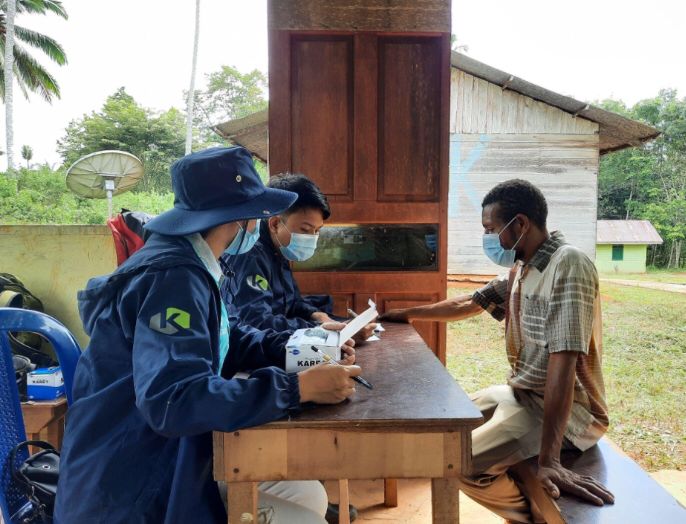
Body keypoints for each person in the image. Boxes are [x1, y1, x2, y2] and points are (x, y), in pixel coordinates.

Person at [54, 147, 362, 524]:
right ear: (238, 217)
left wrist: (308, 352)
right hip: (134, 485)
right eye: (257, 214)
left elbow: (226, 341)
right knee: (302, 514)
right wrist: (297, 389)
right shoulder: (173, 278)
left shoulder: (194, 264)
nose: (258, 225)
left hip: (171, 455)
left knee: (306, 493)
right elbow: (174, 400)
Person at [380, 179, 614, 523]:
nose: (489, 238)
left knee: (458, 465)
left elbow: (563, 363)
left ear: (520, 224)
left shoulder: (568, 264)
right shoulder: (523, 266)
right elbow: (469, 303)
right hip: (520, 394)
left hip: (570, 413)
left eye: (491, 229)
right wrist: (407, 314)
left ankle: (531, 517)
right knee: (443, 431)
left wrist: (549, 461)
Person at [221, 173, 376, 341]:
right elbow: (257, 321)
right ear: (275, 224)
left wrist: (317, 315)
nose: (312, 238)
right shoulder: (250, 256)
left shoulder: (279, 250)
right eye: (305, 229)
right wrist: (320, 330)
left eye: (317, 231)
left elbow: (291, 303)